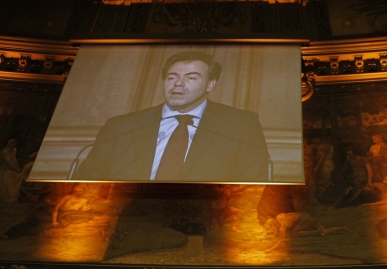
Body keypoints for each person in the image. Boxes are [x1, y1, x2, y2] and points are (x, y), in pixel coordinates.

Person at [73, 51, 270, 183]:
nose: (178, 84)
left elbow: (252, 183)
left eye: (191, 78)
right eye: (172, 77)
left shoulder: (241, 125)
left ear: (210, 84)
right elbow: (87, 179)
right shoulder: (121, 126)